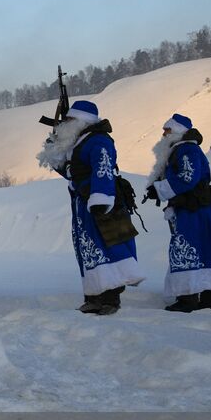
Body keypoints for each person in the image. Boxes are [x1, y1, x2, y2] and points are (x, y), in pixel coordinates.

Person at [37, 99, 144, 314]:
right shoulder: (79, 143)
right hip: (84, 202)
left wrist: (100, 198)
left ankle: (111, 300)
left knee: (108, 247)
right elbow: (71, 172)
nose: (65, 123)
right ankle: (94, 297)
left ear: (81, 121)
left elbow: (102, 168)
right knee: (90, 249)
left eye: (69, 120)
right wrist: (53, 150)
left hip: (100, 202)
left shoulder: (98, 141)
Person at [147, 113, 211, 311]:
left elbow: (188, 177)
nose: (163, 134)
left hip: (193, 209)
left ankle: (188, 300)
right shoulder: (183, 149)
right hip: (197, 208)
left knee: (187, 248)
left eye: (167, 130)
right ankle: (209, 300)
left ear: (177, 131)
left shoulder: (186, 149)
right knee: (206, 249)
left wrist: (160, 189)